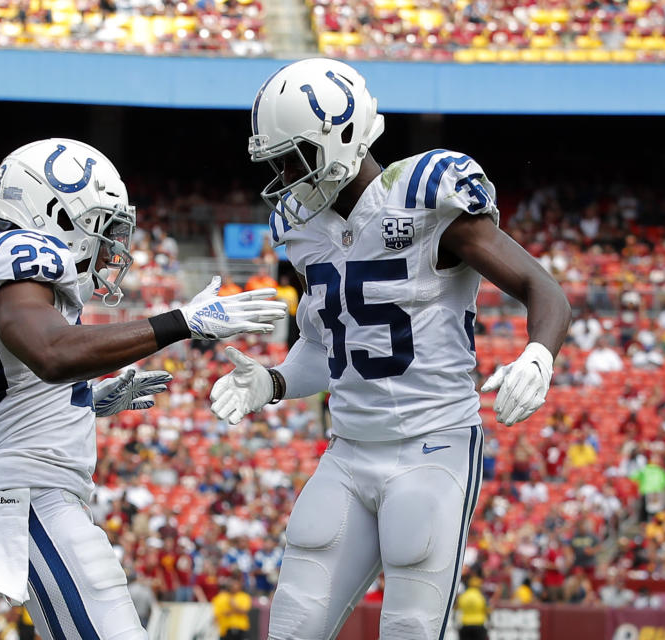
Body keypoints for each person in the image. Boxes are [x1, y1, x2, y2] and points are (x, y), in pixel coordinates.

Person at [210, 58, 571, 640]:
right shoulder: (301, 228)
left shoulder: (426, 197)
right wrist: (273, 382)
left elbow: (542, 287)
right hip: (348, 449)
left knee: (408, 627)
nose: (283, 176)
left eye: (293, 158)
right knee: (291, 626)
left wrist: (538, 354)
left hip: (435, 443)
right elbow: (324, 345)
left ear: (343, 135)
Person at [0, 138, 286, 640]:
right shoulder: (17, 253)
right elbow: (51, 352)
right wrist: (182, 320)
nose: (110, 243)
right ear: (55, 211)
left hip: (22, 495)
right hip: (29, 499)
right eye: (101, 224)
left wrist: (77, 403)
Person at [211, 575, 252, 640]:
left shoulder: (244, 597)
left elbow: (244, 611)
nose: (233, 586)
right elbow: (219, 614)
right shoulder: (221, 597)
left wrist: (234, 607)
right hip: (226, 630)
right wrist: (236, 611)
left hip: (241, 629)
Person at [455, 576, 488, 640]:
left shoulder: (463, 595)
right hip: (479, 625)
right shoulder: (481, 596)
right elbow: (488, 609)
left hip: (465, 625)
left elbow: (457, 607)